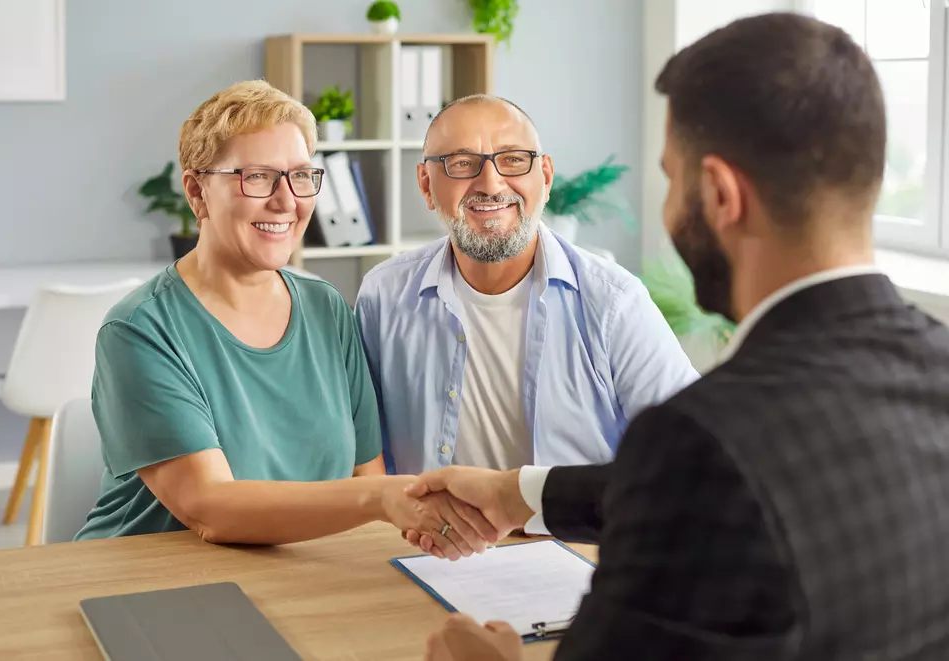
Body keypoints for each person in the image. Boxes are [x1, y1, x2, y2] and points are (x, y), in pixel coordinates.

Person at [409, 12, 949, 660]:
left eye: (670, 177)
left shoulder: (703, 439)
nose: (667, 209)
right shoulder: (933, 370)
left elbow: (697, 487)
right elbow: (708, 496)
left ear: (720, 194)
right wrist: (516, 493)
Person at [73, 80, 495, 561]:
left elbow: (366, 472)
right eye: (256, 177)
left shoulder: (326, 308)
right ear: (197, 191)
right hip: (148, 581)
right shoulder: (140, 331)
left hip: (294, 572)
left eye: (300, 176)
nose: (285, 201)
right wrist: (382, 501)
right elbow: (211, 508)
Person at [354, 94, 698, 478]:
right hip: (423, 537)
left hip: (574, 537)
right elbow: (365, 454)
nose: (490, 183)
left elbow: (691, 452)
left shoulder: (615, 303)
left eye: (514, 160)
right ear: (425, 184)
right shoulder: (382, 297)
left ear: (545, 177)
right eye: (462, 164)